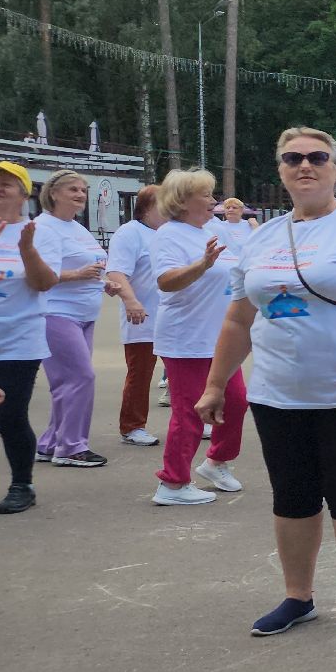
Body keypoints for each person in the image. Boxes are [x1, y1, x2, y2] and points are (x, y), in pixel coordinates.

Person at [200, 128, 336, 638]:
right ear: (281, 171)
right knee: (291, 496)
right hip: (278, 393)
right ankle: (298, 596)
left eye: (317, 158)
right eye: (292, 159)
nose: (305, 166)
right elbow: (237, 320)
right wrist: (214, 385)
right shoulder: (261, 238)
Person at [152, 168, 246, 506]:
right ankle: (172, 483)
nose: (213, 200)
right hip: (186, 339)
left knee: (235, 402)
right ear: (182, 201)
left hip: (220, 339)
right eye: (205, 195)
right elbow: (166, 281)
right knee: (189, 413)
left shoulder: (212, 229)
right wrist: (202, 265)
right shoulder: (169, 234)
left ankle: (216, 462)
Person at [0, 160, 58, 514]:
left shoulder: (41, 232)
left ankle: (21, 484)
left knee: (8, 416)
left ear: (23, 194)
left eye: (4, 184)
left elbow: (43, 284)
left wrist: (27, 249)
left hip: (17, 343)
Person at [32, 170, 110, 468]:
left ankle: (50, 442)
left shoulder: (76, 227)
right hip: (56, 313)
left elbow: (93, 268)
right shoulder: (44, 228)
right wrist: (78, 275)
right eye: (73, 190)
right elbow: (39, 275)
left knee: (69, 382)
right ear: (53, 193)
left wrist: (105, 284)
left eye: (83, 190)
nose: (80, 195)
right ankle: (72, 447)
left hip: (85, 314)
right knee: (81, 377)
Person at [104, 184, 164, 448]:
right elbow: (116, 272)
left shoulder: (172, 233)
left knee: (188, 373)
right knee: (140, 374)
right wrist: (131, 301)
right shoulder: (130, 233)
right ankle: (133, 426)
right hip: (143, 316)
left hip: (176, 316)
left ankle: (198, 420)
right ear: (148, 206)